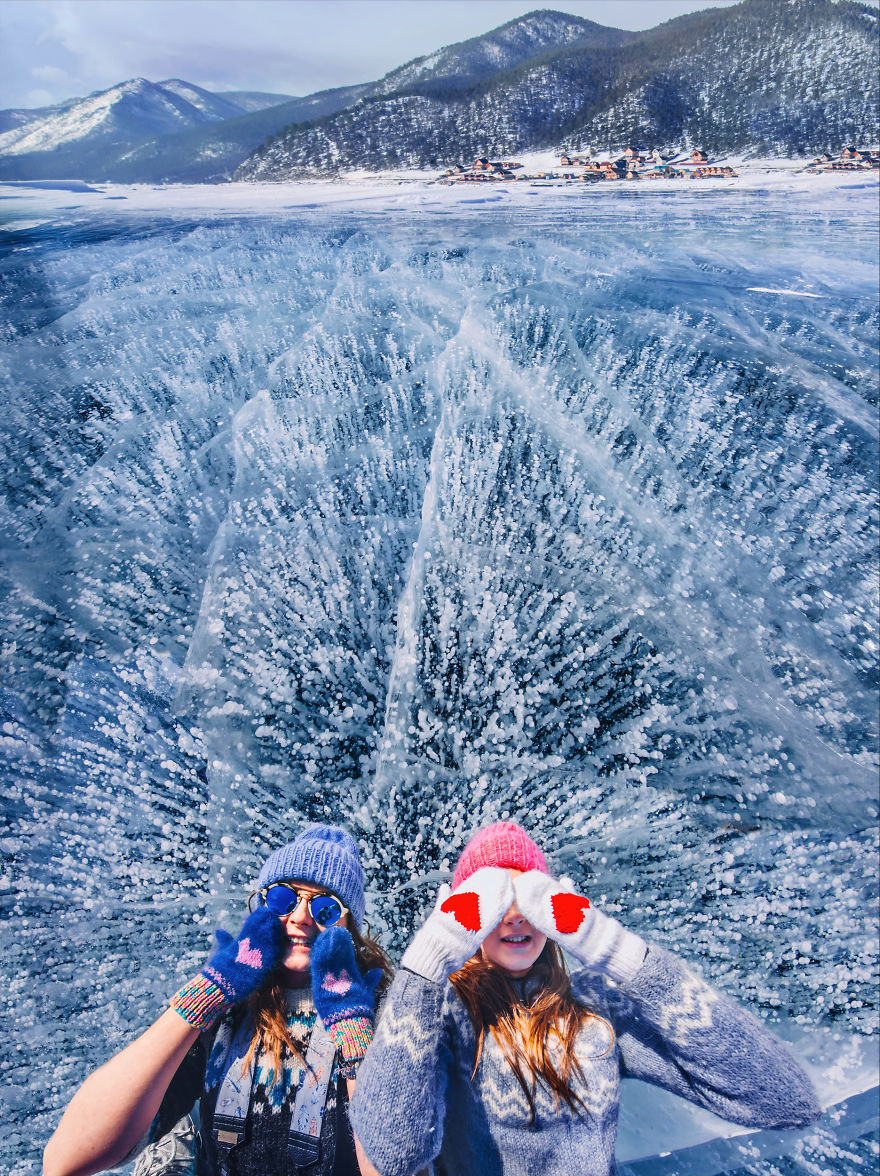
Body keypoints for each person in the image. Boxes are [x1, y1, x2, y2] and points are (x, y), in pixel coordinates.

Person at [350, 821, 820, 1176]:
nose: (514, 917)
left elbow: (784, 1102)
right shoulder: (437, 1012)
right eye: (494, 898)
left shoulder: (596, 1007)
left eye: (528, 896)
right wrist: (428, 963)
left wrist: (614, 949)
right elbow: (393, 1153)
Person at [44, 824, 391, 1176]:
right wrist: (207, 995)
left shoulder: (383, 1017)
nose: (300, 917)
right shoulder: (226, 1013)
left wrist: (355, 1039)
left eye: (325, 909)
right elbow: (66, 1161)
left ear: (350, 927)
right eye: (284, 899)